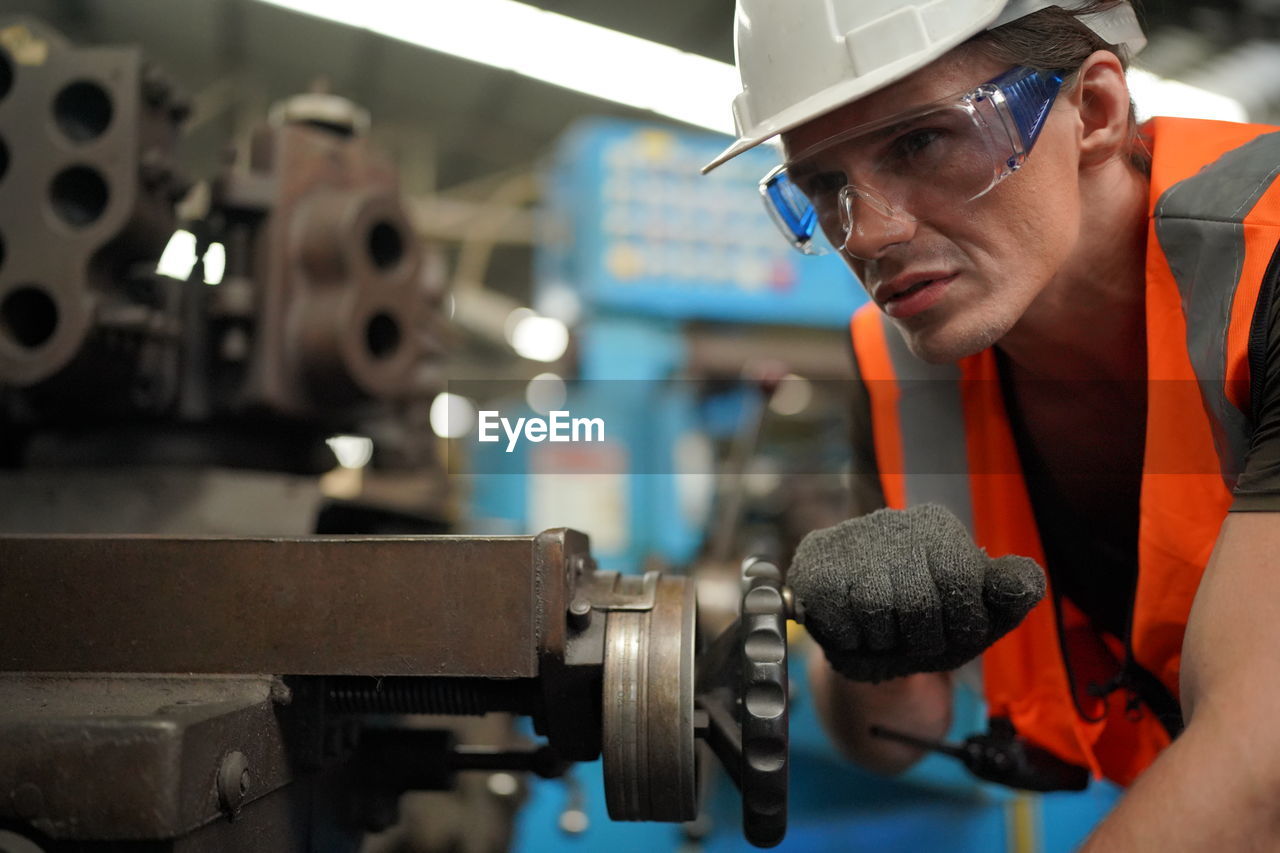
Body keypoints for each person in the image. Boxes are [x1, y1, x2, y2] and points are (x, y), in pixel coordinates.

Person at [703, 1, 1280, 848]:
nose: (871, 233)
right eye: (825, 185)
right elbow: (891, 731)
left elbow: (1259, 765)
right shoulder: (901, 368)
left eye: (921, 142)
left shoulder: (1266, 272)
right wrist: (870, 650)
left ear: (1094, 112)